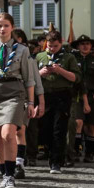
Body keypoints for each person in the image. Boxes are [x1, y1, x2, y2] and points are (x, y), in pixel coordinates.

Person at [0, 13, 35, 188]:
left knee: (8, 134)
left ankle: (10, 176)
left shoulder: (22, 50)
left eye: (5, 25)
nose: (2, 29)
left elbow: (29, 79)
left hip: (14, 93)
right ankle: (3, 174)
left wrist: (31, 102)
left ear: (12, 27)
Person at [36, 31, 79, 174]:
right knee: (45, 129)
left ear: (61, 43)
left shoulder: (69, 57)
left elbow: (75, 78)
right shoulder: (39, 56)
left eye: (55, 46)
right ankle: (49, 155)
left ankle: (56, 162)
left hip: (62, 95)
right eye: (49, 46)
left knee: (59, 130)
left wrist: (59, 70)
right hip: (45, 95)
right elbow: (31, 77)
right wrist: (40, 73)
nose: (52, 49)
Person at [71, 35, 94, 162]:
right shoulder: (73, 59)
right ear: (78, 46)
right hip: (77, 96)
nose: (85, 46)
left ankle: (90, 152)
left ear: (91, 46)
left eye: (87, 43)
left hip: (93, 96)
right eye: (82, 44)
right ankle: (75, 150)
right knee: (78, 122)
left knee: (92, 126)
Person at [12, 29, 44, 175]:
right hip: (5, 97)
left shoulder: (28, 57)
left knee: (21, 130)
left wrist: (39, 101)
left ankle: (20, 162)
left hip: (24, 97)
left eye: (18, 39)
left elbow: (36, 80)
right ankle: (8, 162)